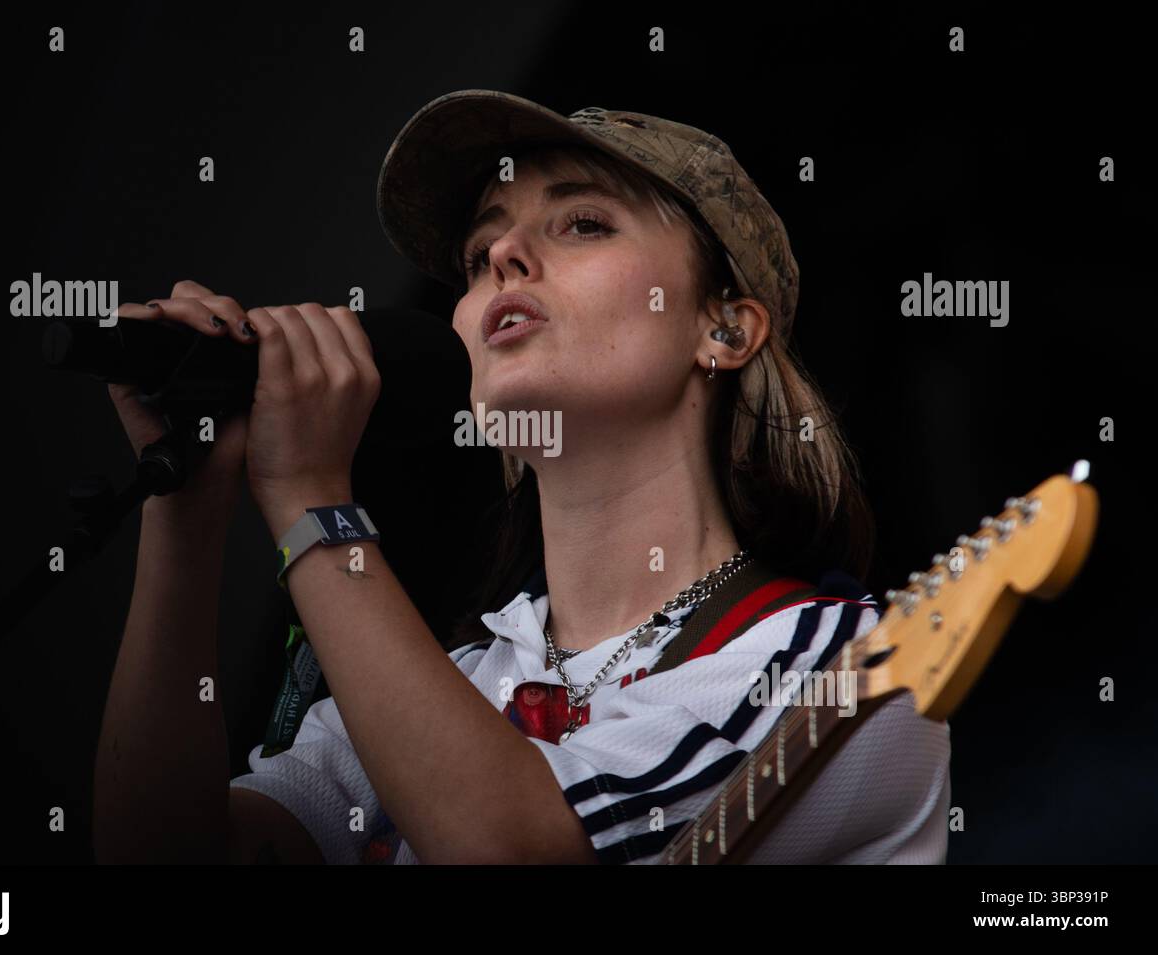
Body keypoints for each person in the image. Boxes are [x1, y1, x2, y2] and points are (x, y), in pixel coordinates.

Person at [93, 90, 951, 865]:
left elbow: (509, 849)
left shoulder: (845, 665)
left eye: (583, 223)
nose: (504, 251)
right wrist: (185, 503)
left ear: (722, 330)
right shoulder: (451, 681)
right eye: (476, 253)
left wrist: (313, 506)